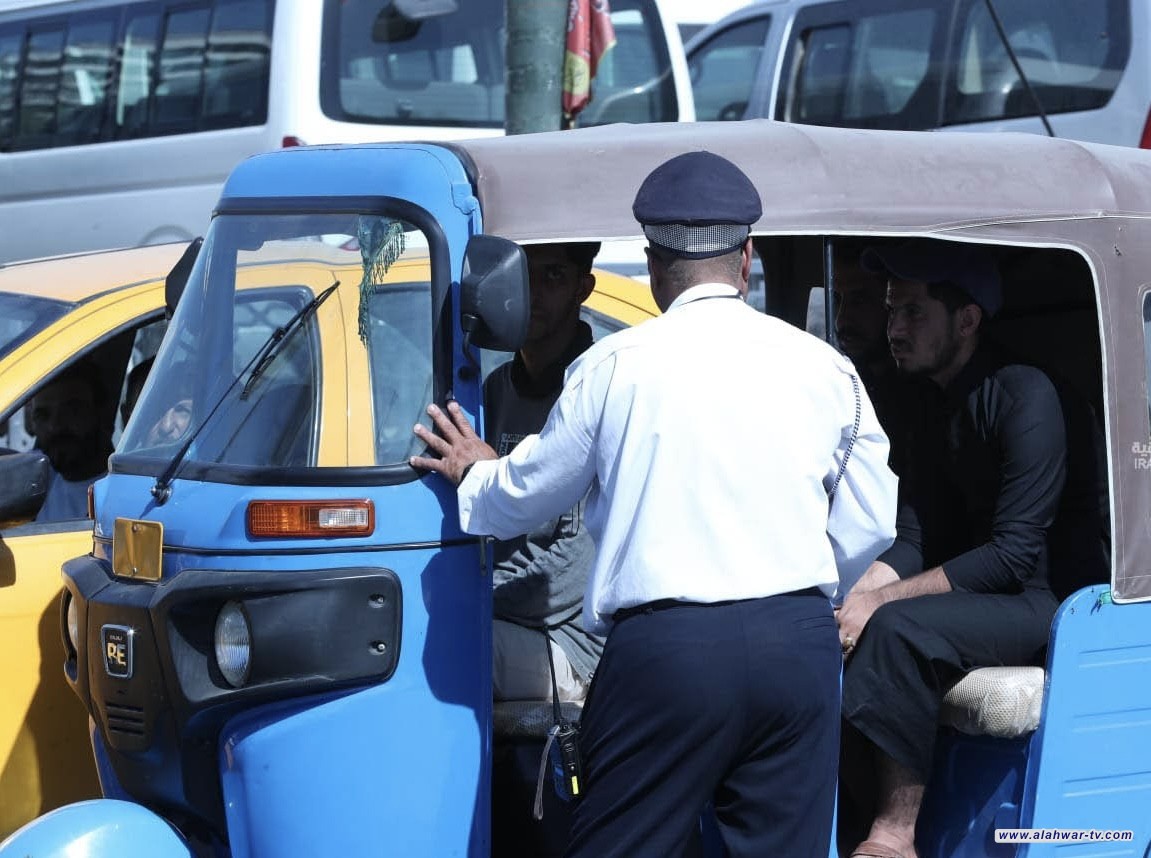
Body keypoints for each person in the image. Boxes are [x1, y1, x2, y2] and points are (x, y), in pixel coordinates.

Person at [411, 151, 898, 858]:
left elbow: (527, 493)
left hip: (669, 651)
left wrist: (475, 474)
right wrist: (805, 593)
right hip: (796, 644)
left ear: (653, 266)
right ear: (745, 259)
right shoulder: (825, 366)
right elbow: (872, 518)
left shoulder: (614, 366)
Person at [836, 240, 1110, 858]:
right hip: (990, 594)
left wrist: (882, 603)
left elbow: (1013, 556)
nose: (894, 328)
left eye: (913, 311)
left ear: (966, 320)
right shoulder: (927, 402)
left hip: (1052, 601)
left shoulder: (1026, 395)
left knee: (897, 631)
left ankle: (894, 837)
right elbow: (914, 537)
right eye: (892, 310)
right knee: (831, 622)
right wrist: (853, 597)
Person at [485, 242, 603, 703]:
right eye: (522, 275)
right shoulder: (494, 391)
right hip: (496, 614)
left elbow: (573, 572)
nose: (533, 291)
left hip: (571, 642)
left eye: (552, 276)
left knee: (440, 650)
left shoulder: (598, 390)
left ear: (582, 288)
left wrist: (473, 601)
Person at [25, 360, 114, 522]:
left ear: (100, 413)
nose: (54, 426)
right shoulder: (34, 484)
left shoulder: (127, 492)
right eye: (43, 415)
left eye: (71, 411)